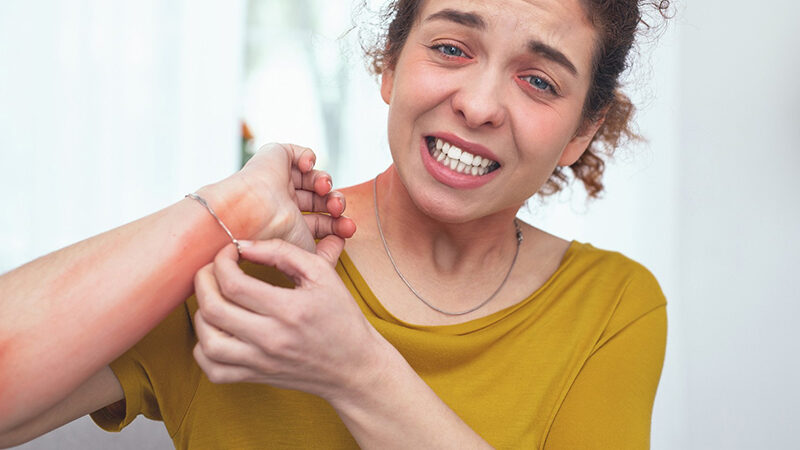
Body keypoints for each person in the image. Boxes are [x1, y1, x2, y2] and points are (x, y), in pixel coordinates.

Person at [0, 0, 670, 448]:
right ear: (390, 63)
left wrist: (353, 368)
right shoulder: (244, 263)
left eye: (539, 82)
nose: (479, 104)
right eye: (451, 49)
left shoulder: (613, 305)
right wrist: (226, 210)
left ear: (584, 129)